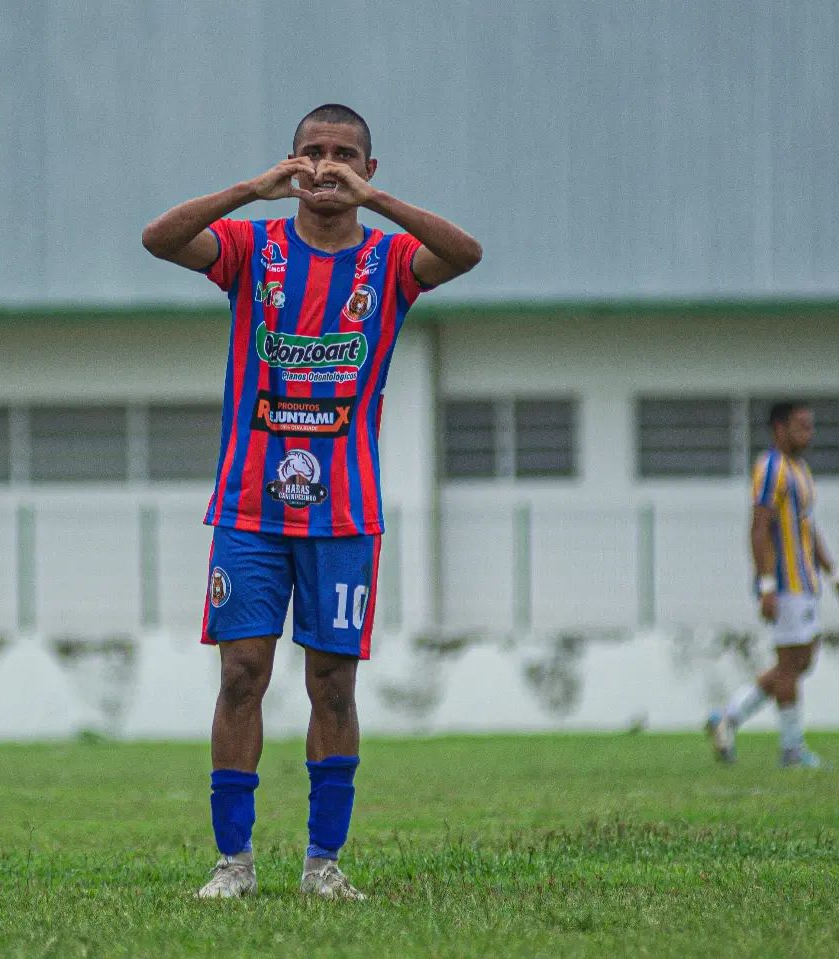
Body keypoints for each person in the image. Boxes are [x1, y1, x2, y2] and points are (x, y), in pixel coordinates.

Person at [142, 104, 481, 899]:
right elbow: (159, 238)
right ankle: (234, 863)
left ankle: (324, 863)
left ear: (369, 166)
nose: (328, 167)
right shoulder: (250, 248)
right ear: (290, 160)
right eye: (313, 152)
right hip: (250, 507)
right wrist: (251, 190)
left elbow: (464, 253)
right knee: (241, 676)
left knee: (332, 684)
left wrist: (375, 201)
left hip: (344, 515)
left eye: (346, 156)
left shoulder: (392, 262)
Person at [707, 401, 839, 768]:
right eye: (801, 426)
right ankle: (790, 748)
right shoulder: (770, 468)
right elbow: (759, 528)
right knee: (790, 666)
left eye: (811, 426)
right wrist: (765, 585)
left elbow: (807, 528)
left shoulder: (801, 471)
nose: (809, 433)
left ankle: (728, 718)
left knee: (799, 662)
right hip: (785, 583)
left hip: (805, 581)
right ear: (780, 428)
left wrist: (835, 575)